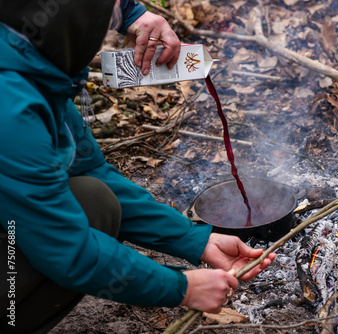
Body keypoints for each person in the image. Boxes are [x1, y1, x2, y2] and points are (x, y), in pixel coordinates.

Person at [0, 1, 276, 333]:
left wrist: (194, 240)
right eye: (106, 23)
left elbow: (88, 171)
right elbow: (67, 249)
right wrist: (182, 288)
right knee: (83, 215)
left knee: (94, 198)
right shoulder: (11, 109)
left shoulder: (29, 70)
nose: (108, 35)